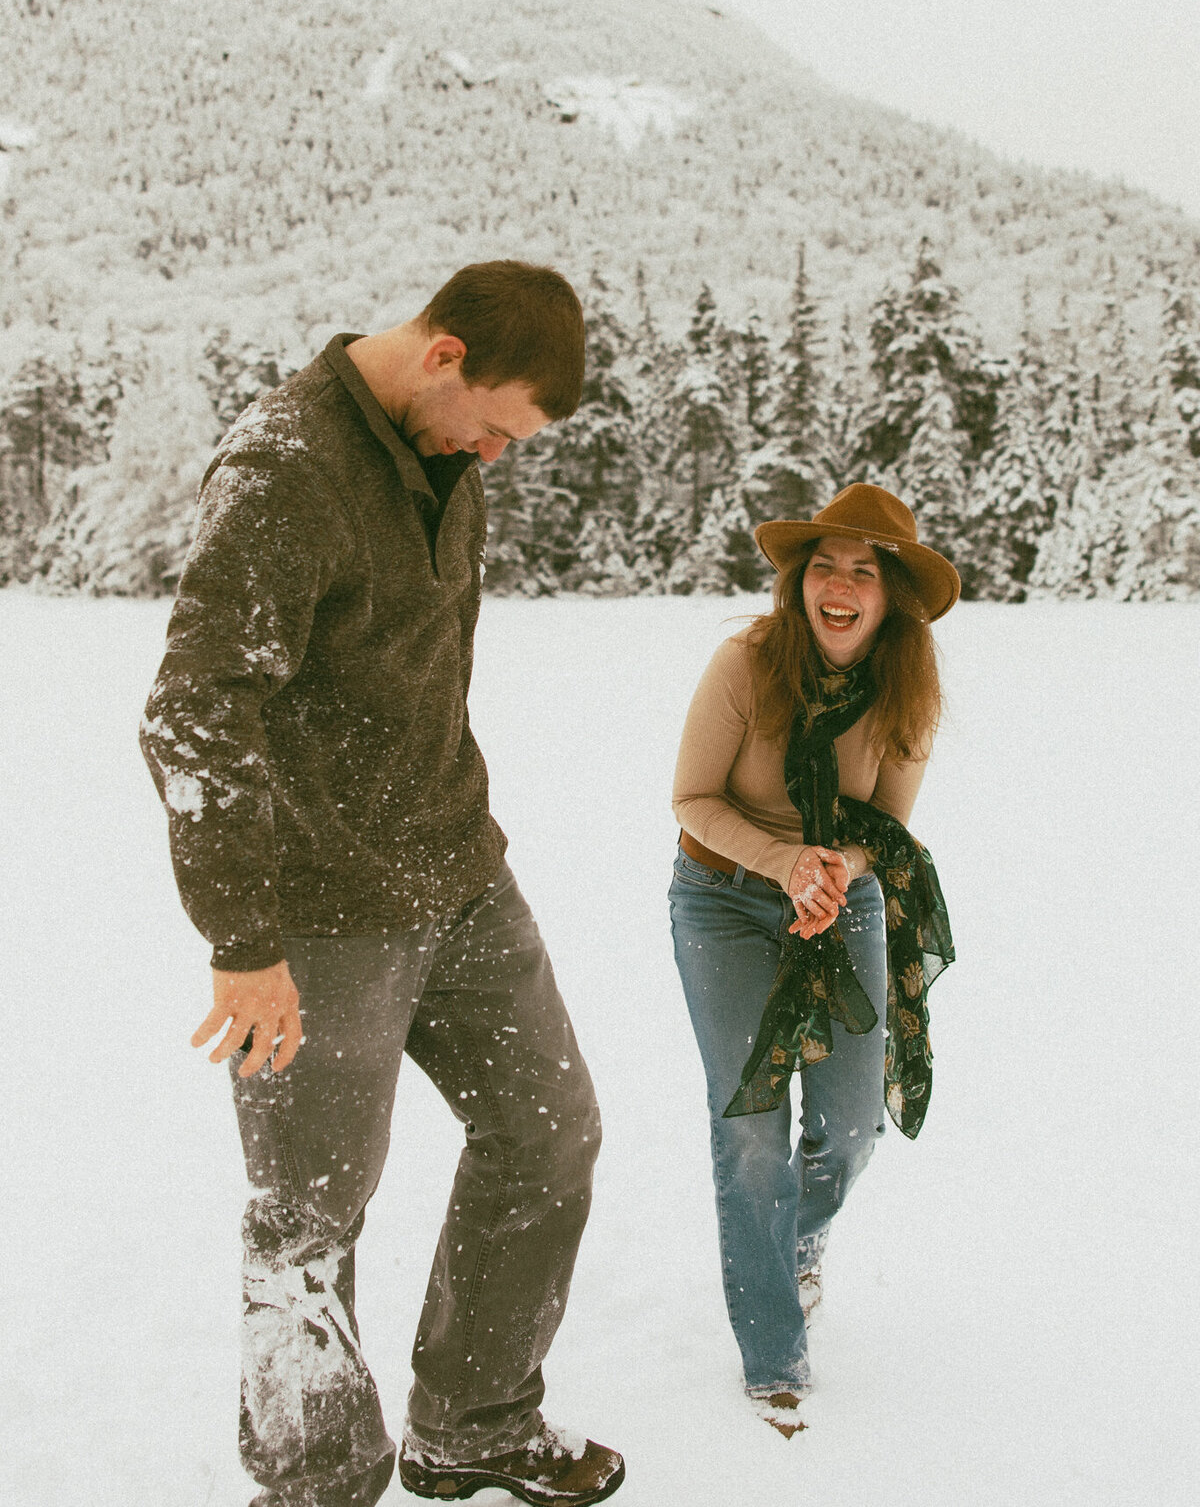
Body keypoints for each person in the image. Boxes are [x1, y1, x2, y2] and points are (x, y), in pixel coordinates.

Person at [140, 261, 625, 1507]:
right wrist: (244, 936)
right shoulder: (286, 467)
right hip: (317, 916)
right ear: (445, 355)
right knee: (308, 1220)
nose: (501, 456)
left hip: (458, 873)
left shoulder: (444, 457)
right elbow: (194, 712)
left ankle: (472, 1420)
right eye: (500, 426)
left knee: (548, 1129)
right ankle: (312, 1483)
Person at [668, 483, 958, 1436]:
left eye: (863, 571)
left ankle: (797, 1237)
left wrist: (836, 872)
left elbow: (889, 824)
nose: (839, 585)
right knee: (750, 1121)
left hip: (845, 898)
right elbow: (694, 799)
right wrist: (786, 860)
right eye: (824, 565)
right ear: (800, 581)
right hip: (720, 896)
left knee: (851, 1121)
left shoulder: (907, 685)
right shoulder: (747, 664)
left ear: (892, 597)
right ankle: (773, 1350)